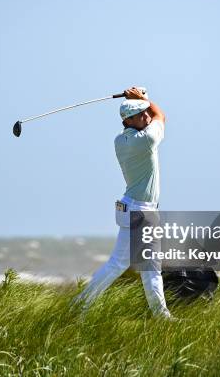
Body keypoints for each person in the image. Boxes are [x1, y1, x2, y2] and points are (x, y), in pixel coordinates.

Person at [76, 86, 171, 318]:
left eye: (146, 112)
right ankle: (80, 305)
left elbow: (153, 117)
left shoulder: (121, 139)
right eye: (141, 113)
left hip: (135, 208)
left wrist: (140, 102)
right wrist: (144, 98)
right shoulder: (145, 140)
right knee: (119, 265)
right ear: (129, 120)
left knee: (149, 269)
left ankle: (162, 317)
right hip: (141, 211)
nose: (147, 116)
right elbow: (162, 116)